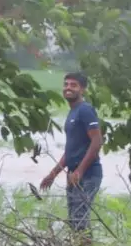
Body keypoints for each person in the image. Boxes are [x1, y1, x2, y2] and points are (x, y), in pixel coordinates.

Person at [40, 72, 104, 232]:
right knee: (74, 222)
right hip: (73, 174)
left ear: (82, 89)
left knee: (80, 221)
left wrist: (80, 171)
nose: (68, 88)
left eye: (73, 85)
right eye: (66, 84)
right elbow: (70, 151)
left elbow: (97, 142)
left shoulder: (85, 110)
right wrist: (53, 174)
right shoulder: (73, 112)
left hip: (88, 174)